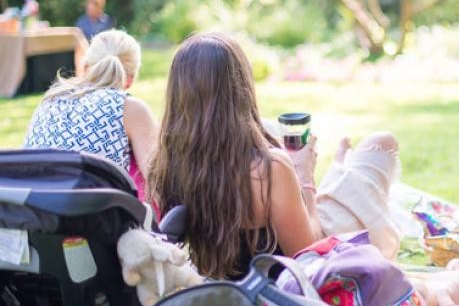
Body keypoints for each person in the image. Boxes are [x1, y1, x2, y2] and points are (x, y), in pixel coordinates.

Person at [147, 32, 402, 280]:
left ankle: (338, 172)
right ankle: (340, 173)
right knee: (382, 144)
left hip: (230, 284)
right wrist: (304, 174)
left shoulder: (164, 163)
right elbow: (308, 257)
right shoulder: (269, 168)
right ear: (241, 89)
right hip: (300, 275)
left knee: (361, 162)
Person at [24, 29, 158, 198]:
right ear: (129, 80)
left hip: (37, 214)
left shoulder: (49, 100)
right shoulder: (129, 108)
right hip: (92, 218)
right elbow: (158, 183)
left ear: (85, 67)